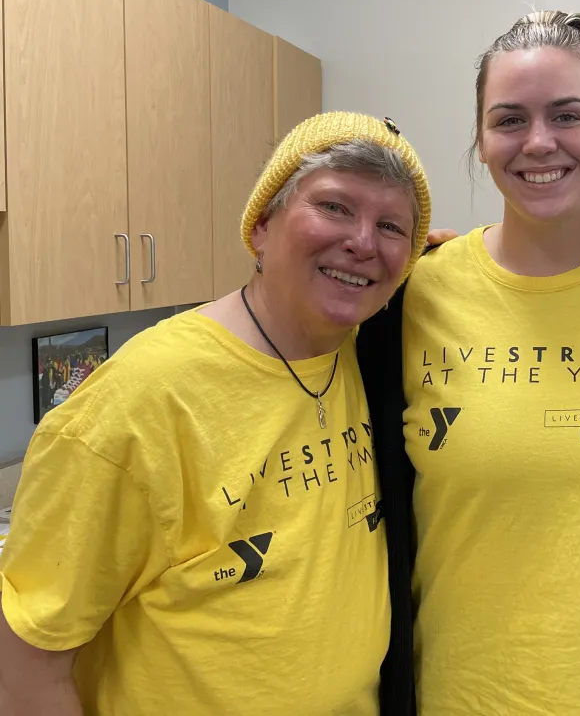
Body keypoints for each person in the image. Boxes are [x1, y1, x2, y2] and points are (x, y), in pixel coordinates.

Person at [0, 111, 431, 716]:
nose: (363, 241)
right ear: (260, 226)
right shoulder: (138, 402)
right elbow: (23, 667)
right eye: (334, 207)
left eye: (391, 226)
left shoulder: (367, 358)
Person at [358, 11, 580, 716]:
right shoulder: (408, 296)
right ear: (482, 141)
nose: (539, 142)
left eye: (567, 115)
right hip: (448, 695)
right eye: (509, 119)